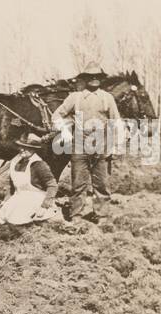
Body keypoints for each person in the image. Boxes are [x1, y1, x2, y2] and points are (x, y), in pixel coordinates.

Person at [52, 63, 121, 221]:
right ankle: (77, 215)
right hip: (80, 147)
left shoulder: (107, 98)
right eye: (91, 76)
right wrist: (66, 133)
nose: (94, 79)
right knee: (78, 184)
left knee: (101, 184)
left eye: (97, 76)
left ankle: (102, 215)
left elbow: (116, 122)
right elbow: (56, 115)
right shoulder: (75, 97)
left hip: (101, 147)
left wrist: (115, 146)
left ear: (101, 79)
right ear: (85, 79)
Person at [0, 133, 60, 226]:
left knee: (17, 219)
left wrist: (45, 206)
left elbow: (52, 185)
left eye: (27, 148)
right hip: (18, 197)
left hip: (36, 199)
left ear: (34, 150)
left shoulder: (39, 164)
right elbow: (12, 186)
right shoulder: (16, 163)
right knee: (1, 217)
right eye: (21, 147)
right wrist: (6, 200)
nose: (22, 150)